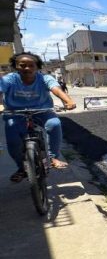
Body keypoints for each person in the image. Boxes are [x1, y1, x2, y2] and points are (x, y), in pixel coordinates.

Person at [0, 52, 76, 182]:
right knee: (13, 142)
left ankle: (53, 158)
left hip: (42, 111)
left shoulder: (44, 78)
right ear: (16, 67)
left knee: (54, 124)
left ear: (37, 67)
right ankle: (22, 168)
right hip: (15, 113)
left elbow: (56, 89)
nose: (27, 68)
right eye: (23, 65)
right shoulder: (9, 79)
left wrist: (68, 101)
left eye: (31, 65)